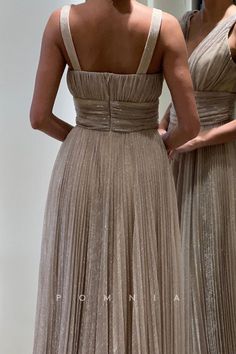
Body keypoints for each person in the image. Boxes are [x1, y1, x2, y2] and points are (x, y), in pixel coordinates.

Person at [30, 1, 199, 353]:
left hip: (79, 168)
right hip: (142, 164)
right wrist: (162, 143)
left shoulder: (60, 24)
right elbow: (190, 125)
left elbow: (40, 117)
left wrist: (83, 137)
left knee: (80, 277)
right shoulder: (164, 28)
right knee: (139, 278)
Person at [159, 0, 236, 352]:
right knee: (173, 260)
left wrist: (203, 137)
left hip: (215, 160)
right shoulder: (184, 23)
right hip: (174, 155)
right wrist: (165, 120)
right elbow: (179, 87)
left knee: (208, 261)